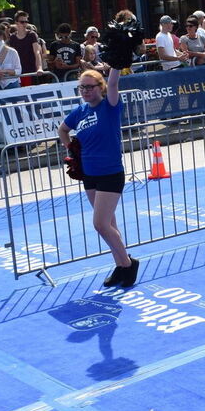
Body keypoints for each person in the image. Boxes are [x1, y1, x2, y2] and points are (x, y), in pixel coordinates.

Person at [57, 65, 139, 288]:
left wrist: (115, 64)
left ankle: (128, 264)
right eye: (81, 87)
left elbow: (113, 83)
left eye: (89, 87)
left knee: (100, 224)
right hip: (89, 174)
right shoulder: (80, 111)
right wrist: (72, 150)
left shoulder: (109, 106)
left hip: (110, 173)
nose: (85, 91)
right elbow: (62, 130)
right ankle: (121, 264)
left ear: (99, 87)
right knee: (110, 223)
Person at [8, 11, 44, 86]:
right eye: (22, 22)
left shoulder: (31, 35)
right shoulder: (12, 37)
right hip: (18, 73)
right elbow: (11, 56)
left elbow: (37, 52)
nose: (25, 24)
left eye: (26, 21)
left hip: (31, 71)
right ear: (16, 23)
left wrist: (39, 68)